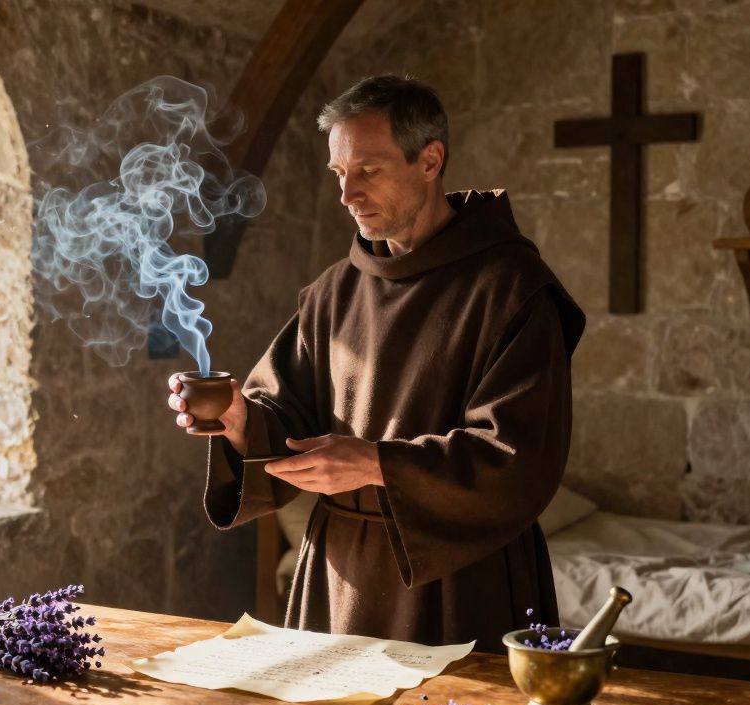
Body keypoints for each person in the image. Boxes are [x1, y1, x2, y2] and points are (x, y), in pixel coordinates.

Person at [166, 75, 585, 650]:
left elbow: (519, 457)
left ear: (430, 160)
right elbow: (286, 417)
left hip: (459, 579)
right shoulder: (333, 291)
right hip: (338, 577)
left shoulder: (512, 290)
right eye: (339, 172)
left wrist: (377, 464)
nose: (347, 194)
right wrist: (242, 423)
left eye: (368, 170)